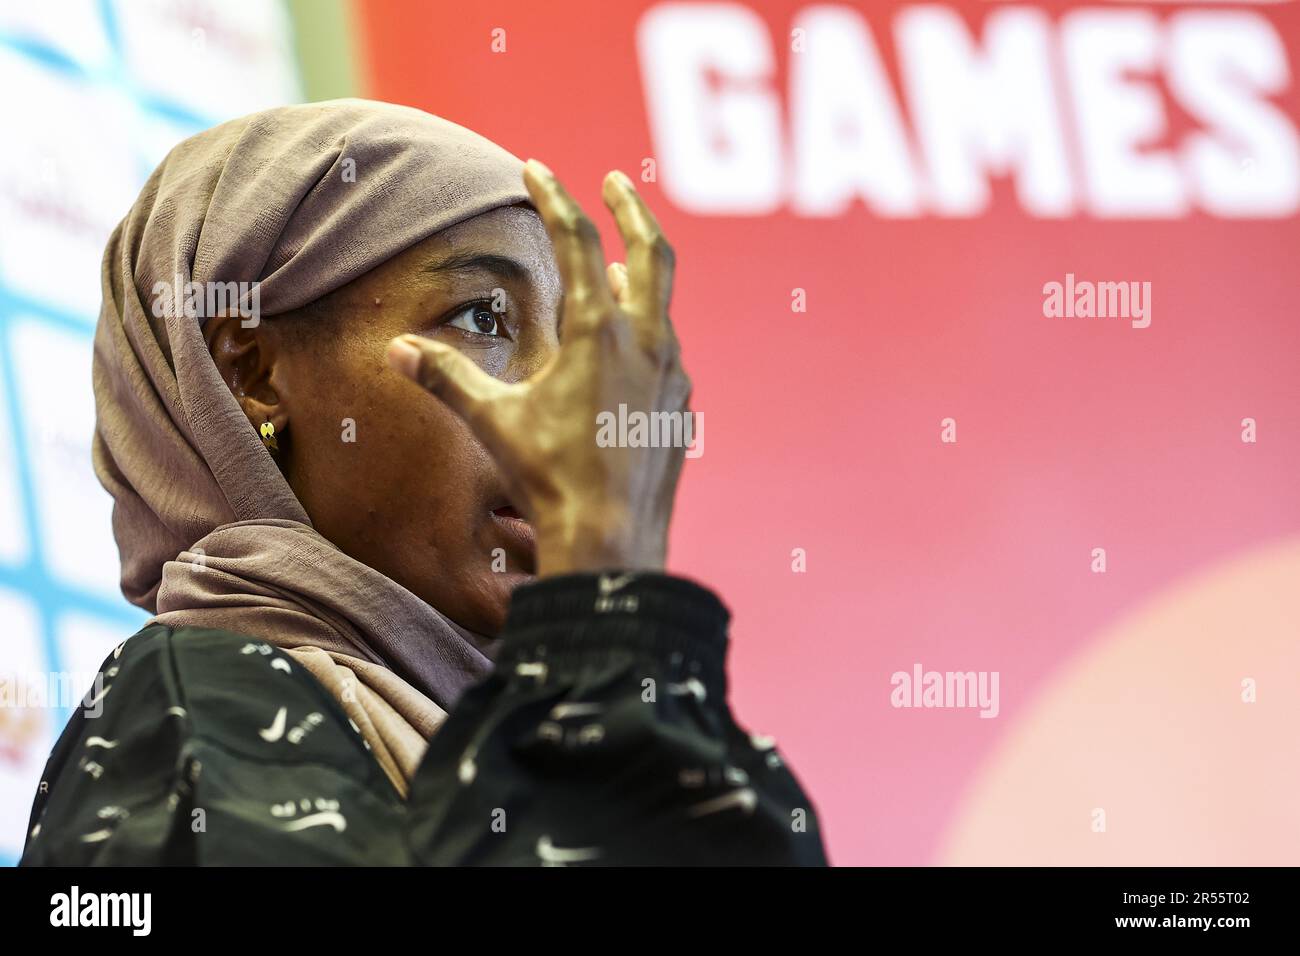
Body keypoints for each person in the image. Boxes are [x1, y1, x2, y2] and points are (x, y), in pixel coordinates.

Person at [19, 99, 826, 866]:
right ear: (252, 372)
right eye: (483, 318)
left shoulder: (510, 725)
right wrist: (609, 604)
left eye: (581, 340)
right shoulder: (186, 712)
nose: (567, 406)